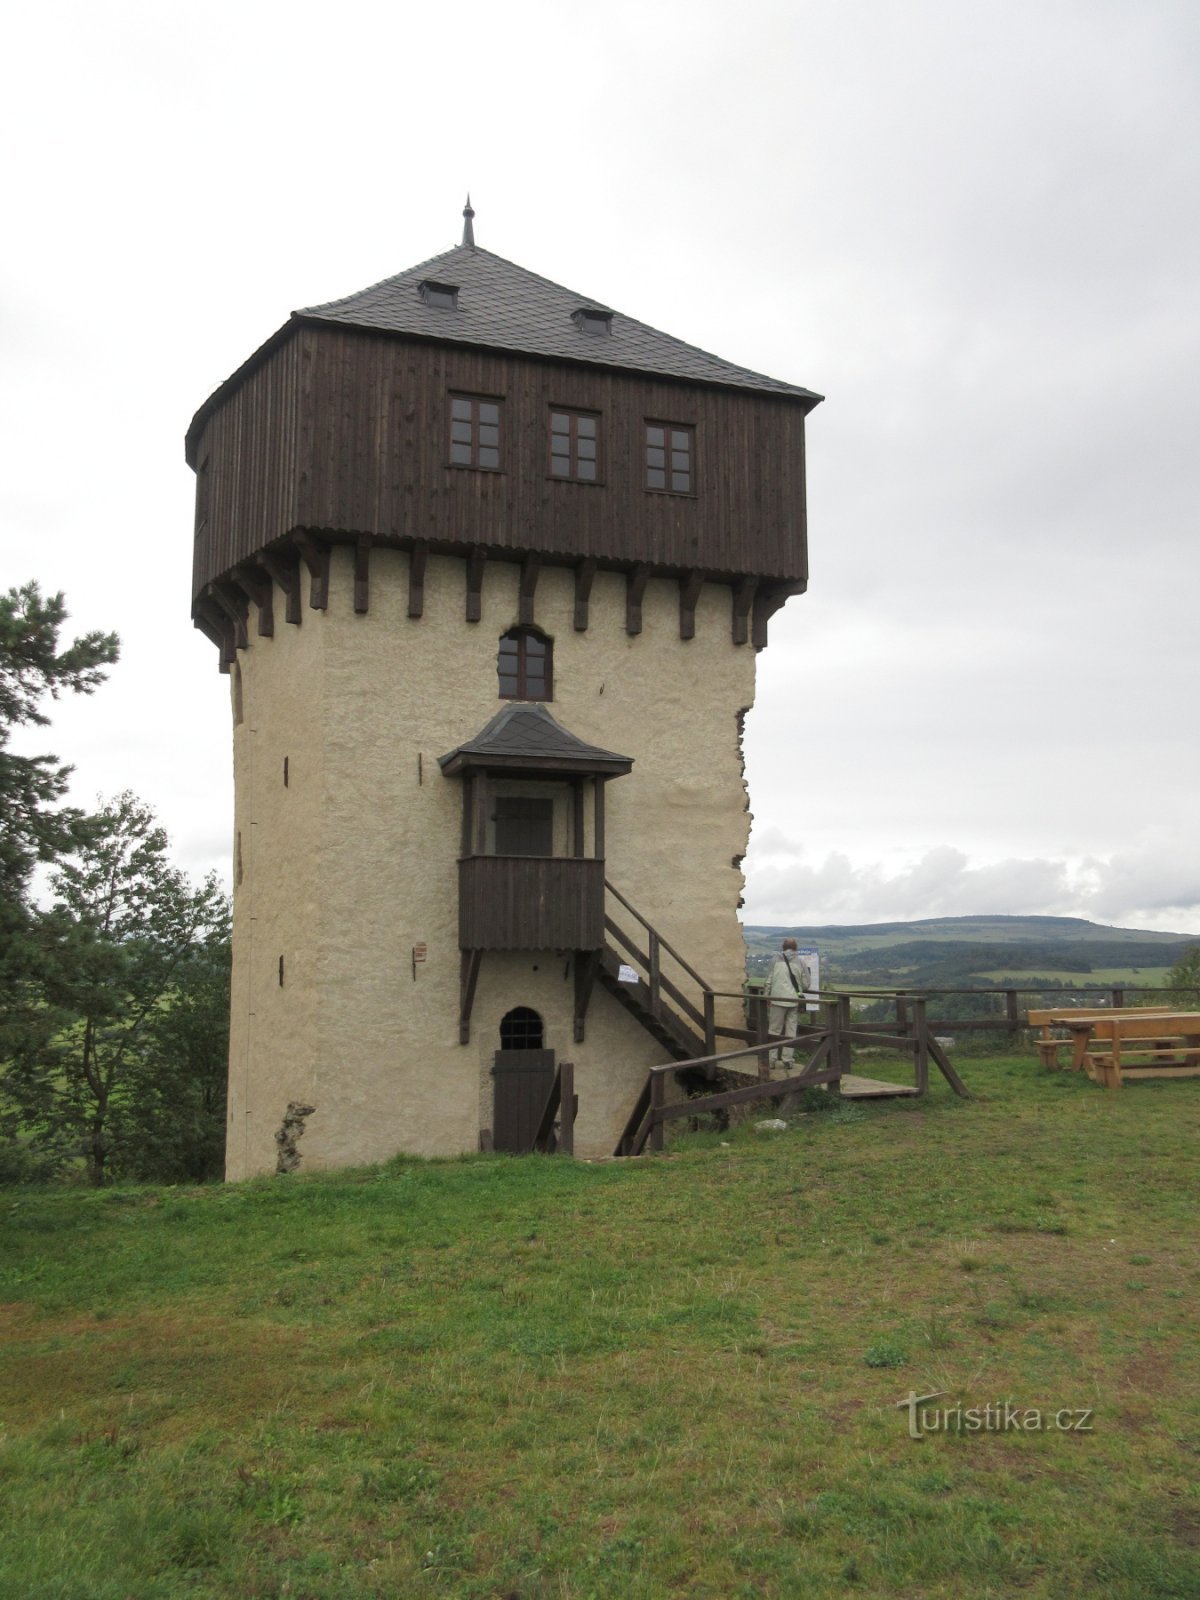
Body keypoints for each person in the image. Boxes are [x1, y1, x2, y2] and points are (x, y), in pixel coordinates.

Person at [765, 938, 811, 1065]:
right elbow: (806, 985)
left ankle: (771, 1060)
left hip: (777, 999)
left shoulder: (774, 960)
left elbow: (768, 981)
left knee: (774, 1030)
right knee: (791, 1030)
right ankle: (787, 1060)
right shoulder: (801, 962)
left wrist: (766, 997)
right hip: (793, 1000)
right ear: (796, 948)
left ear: (783, 947)